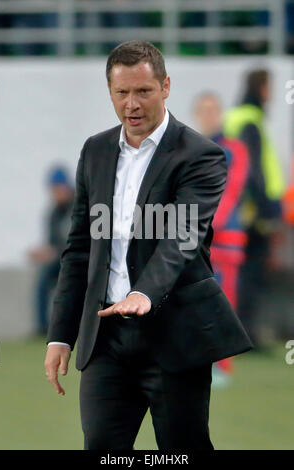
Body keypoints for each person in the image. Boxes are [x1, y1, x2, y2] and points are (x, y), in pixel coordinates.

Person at [44, 40, 252, 451]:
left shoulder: (201, 155)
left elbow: (182, 236)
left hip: (175, 336)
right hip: (106, 341)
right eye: (122, 93)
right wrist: (60, 336)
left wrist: (143, 292)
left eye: (143, 91)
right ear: (110, 92)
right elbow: (79, 250)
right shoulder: (96, 150)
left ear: (166, 86)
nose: (132, 104)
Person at [224, 69, 285, 347]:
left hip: (241, 209)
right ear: (261, 88)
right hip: (251, 211)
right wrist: (266, 209)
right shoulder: (249, 120)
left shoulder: (240, 118)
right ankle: (246, 334)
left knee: (243, 274)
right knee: (249, 275)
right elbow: (253, 169)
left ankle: (243, 332)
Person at [193, 92, 249, 386]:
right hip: (197, 239)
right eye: (203, 110)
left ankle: (223, 366)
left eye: (213, 109)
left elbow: (231, 191)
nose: (209, 115)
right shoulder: (192, 148)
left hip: (224, 240)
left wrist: (207, 225)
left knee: (224, 301)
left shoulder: (235, 149)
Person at [28, 167, 74, 335]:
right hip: (60, 261)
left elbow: (81, 241)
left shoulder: (79, 207)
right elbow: (51, 242)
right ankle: (42, 328)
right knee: (42, 278)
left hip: (78, 260)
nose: (55, 193)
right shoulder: (54, 213)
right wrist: (43, 253)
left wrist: (55, 252)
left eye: (58, 188)